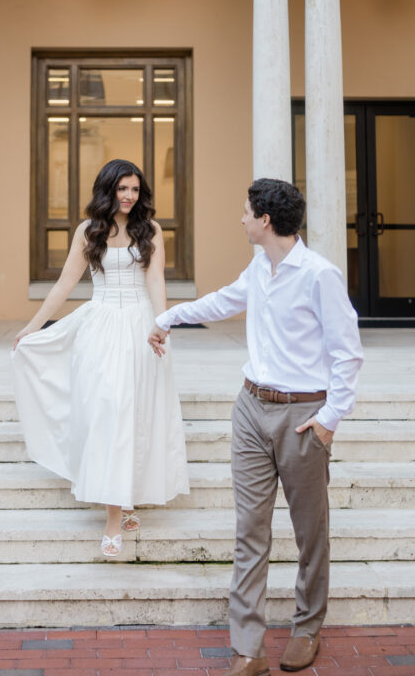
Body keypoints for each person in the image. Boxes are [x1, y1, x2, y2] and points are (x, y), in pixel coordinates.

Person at [149, 178, 363, 675]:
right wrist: (168, 317)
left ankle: (307, 628)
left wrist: (330, 420)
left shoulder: (319, 275)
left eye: (246, 212)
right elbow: (225, 301)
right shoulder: (260, 267)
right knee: (250, 530)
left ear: (266, 221)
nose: (241, 219)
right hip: (250, 408)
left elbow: (348, 354)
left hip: (301, 416)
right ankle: (248, 647)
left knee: (311, 532)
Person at [12, 158, 189, 558]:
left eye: (135, 189)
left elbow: (156, 279)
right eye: (122, 188)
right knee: (109, 411)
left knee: (135, 414)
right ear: (107, 189)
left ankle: (125, 500)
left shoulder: (152, 230)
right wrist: (34, 326)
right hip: (101, 327)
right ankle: (114, 517)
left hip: (142, 327)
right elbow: (65, 283)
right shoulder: (88, 231)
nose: (129, 196)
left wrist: (161, 325)